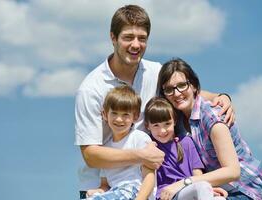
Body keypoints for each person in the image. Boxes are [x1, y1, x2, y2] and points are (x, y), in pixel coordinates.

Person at [74, 4, 234, 198]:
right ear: (113, 38)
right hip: (103, 188)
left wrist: (220, 97)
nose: (135, 44)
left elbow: (182, 91)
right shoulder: (92, 88)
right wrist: (141, 155)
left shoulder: (154, 71)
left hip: (147, 185)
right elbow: (91, 155)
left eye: (142, 38)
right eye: (128, 37)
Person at [156, 58, 262, 200]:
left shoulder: (212, 117)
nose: (177, 93)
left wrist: (184, 183)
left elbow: (233, 171)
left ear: (194, 86)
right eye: (169, 89)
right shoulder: (174, 119)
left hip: (246, 189)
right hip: (215, 189)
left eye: (182, 85)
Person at [144, 97, 227, 200]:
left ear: (174, 121)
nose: (162, 130)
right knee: (203, 187)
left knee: (219, 199)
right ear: (147, 126)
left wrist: (208, 190)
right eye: (156, 125)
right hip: (166, 196)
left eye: (167, 124)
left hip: (189, 188)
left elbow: (197, 174)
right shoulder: (150, 147)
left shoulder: (186, 142)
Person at [86, 85, 154, 200]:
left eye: (125, 115)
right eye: (114, 113)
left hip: (135, 190)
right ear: (105, 114)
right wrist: (98, 191)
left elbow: (150, 176)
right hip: (115, 192)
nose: (119, 119)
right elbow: (105, 184)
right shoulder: (106, 148)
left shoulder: (140, 138)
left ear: (135, 116)